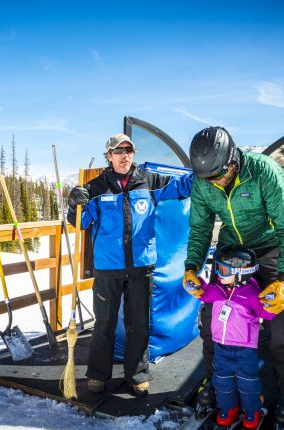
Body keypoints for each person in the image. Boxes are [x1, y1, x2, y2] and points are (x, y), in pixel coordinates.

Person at [182, 126, 284, 426]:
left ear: (232, 158)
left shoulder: (265, 172)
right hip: (229, 251)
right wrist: (192, 267)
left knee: (279, 324)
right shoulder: (203, 182)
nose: (213, 182)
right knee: (214, 320)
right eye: (207, 178)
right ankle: (215, 381)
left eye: (218, 175)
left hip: (267, 248)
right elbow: (200, 228)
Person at [67, 133, 192, 396]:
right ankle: (98, 375)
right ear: (109, 156)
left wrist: (204, 172)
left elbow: (182, 187)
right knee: (104, 324)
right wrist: (73, 203)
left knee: (138, 325)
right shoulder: (95, 188)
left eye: (129, 151)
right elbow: (79, 223)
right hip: (107, 270)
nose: (125, 155)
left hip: (140, 268)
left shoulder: (149, 182)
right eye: (119, 151)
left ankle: (137, 376)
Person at [188, 245, 277, 430]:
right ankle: (228, 408)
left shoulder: (252, 294)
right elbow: (204, 293)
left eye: (223, 270)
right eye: (217, 268)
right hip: (221, 346)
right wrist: (196, 285)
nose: (218, 273)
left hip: (245, 349)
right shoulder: (218, 289)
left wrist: (272, 302)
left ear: (240, 273)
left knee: (248, 382)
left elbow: (267, 314)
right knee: (221, 380)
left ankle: (253, 410)